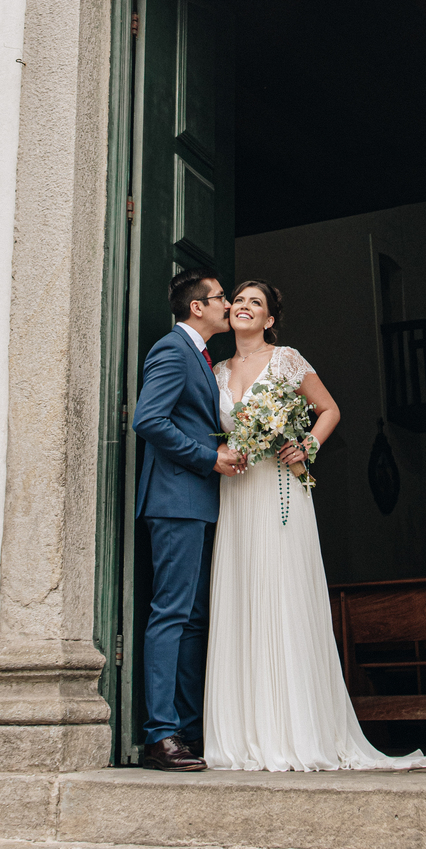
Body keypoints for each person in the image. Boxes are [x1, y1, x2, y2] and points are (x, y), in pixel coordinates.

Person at [203, 279, 426, 773]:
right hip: (237, 494)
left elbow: (330, 410)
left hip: (278, 490)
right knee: (243, 596)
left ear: (270, 320)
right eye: (237, 300)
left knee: (281, 594)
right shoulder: (215, 370)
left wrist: (307, 447)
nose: (242, 307)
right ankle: (244, 734)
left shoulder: (287, 360)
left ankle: (295, 731)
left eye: (255, 303)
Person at [131, 270, 245, 771]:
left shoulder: (201, 358)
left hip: (198, 502)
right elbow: (148, 419)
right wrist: (208, 457)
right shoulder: (173, 350)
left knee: (195, 619)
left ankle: (189, 727)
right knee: (172, 614)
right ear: (196, 307)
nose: (228, 304)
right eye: (221, 298)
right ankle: (160, 734)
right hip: (175, 500)